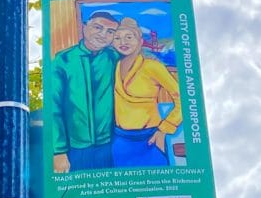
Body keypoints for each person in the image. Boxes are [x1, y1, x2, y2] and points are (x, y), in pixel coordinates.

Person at [49, 10, 120, 173]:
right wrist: (58, 151)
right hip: (73, 148)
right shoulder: (63, 60)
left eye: (110, 32)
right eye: (98, 27)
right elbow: (54, 107)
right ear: (84, 26)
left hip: (109, 145)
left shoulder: (114, 58)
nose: (103, 35)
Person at [110, 17, 182, 168]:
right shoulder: (114, 66)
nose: (123, 42)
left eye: (129, 37)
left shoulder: (152, 66)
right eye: (117, 38)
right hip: (120, 139)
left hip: (150, 138)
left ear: (140, 40)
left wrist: (165, 129)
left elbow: (182, 100)